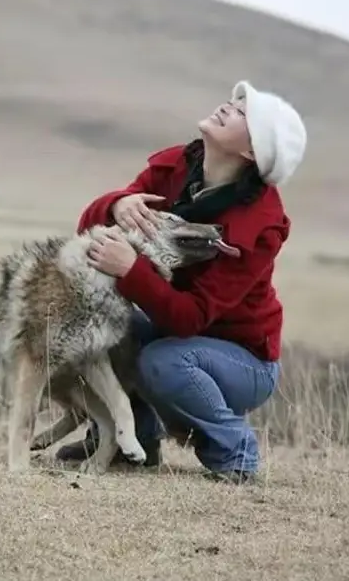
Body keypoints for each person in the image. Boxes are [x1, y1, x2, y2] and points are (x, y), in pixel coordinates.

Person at [55, 80, 307, 483]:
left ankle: (237, 455)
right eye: (234, 100)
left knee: (164, 360)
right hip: (172, 335)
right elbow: (91, 231)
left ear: (252, 152)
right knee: (100, 327)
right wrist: (117, 204)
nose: (230, 106)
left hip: (240, 361)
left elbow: (191, 318)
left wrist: (130, 271)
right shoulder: (174, 168)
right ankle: (129, 440)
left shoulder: (260, 225)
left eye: (244, 113)